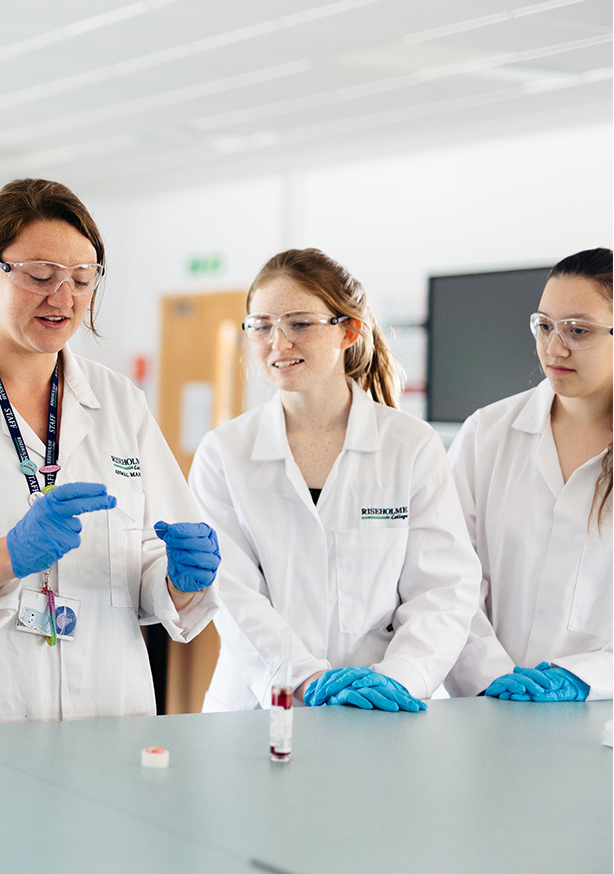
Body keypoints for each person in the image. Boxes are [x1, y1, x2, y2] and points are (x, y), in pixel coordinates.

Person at [0, 178, 220, 730]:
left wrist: (178, 579)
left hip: (106, 717)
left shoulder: (118, 402)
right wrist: (5, 556)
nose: (63, 298)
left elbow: (147, 559)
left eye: (82, 278)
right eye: (40, 276)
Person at [191, 248, 480, 713]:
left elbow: (443, 590)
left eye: (299, 323)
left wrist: (399, 678)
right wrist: (305, 679)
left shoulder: (410, 446)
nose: (278, 342)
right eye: (261, 325)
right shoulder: (224, 453)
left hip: (380, 706)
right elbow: (231, 592)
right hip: (259, 706)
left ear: (349, 331)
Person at [445, 248, 611, 702]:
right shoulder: (486, 433)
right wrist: (491, 676)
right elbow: (447, 577)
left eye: (578, 330)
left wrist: (584, 679)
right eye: (544, 326)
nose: (554, 347)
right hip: (485, 708)